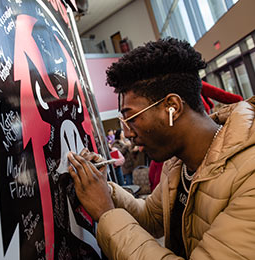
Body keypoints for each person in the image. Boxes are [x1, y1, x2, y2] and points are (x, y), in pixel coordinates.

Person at [67, 37, 255, 259]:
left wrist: (107, 214)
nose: (127, 133)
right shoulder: (177, 163)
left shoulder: (248, 175)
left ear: (172, 107)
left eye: (132, 118)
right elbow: (152, 219)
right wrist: (104, 191)